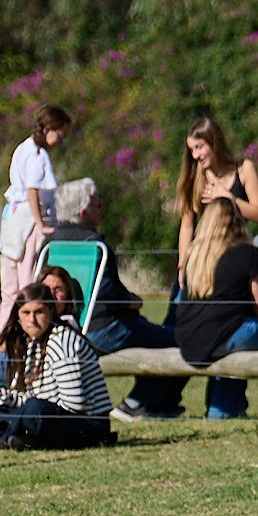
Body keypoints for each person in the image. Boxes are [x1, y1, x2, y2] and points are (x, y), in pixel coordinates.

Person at [44, 178, 189, 421]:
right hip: (104, 330)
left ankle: (160, 404)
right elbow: (109, 297)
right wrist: (132, 301)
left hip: (63, 329)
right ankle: (137, 402)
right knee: (178, 339)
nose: (101, 207)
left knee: (153, 339)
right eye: (97, 204)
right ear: (83, 212)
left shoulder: (49, 244)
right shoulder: (96, 245)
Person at [175, 198, 258, 419]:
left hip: (188, 337)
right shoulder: (248, 254)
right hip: (225, 334)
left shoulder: (192, 256)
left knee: (232, 336)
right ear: (237, 221)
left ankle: (222, 410)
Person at [0, 283, 114, 450]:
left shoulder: (64, 341)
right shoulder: (32, 343)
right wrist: (1, 397)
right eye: (26, 313)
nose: (31, 320)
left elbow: (74, 406)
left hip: (87, 424)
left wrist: (22, 414)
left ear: (51, 312)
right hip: (45, 416)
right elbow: (27, 397)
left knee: (34, 410)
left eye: (39, 312)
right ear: (18, 317)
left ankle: (6, 439)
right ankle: (18, 438)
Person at [173, 117, 258, 303]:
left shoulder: (244, 169)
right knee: (178, 312)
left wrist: (228, 197)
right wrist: (183, 265)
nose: (195, 155)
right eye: (192, 149)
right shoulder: (196, 177)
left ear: (214, 142)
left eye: (199, 147)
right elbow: (187, 225)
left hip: (235, 254)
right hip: (203, 257)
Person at [0, 105, 71, 334]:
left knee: (10, 286)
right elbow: (32, 190)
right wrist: (41, 225)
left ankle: (4, 330)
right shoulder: (37, 155)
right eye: (60, 135)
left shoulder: (23, 148)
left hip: (12, 220)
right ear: (48, 129)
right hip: (28, 222)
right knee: (27, 282)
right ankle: (22, 332)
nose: (61, 141)